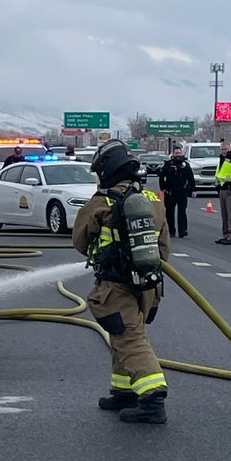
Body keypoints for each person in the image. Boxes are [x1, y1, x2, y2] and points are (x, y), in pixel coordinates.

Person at [73, 139, 171, 423]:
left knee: (130, 339)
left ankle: (153, 400)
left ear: (107, 171)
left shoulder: (101, 203)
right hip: (149, 284)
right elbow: (164, 245)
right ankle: (124, 391)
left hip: (115, 285)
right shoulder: (152, 200)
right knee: (122, 335)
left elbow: (80, 241)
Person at [158, 145, 196, 238]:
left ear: (181, 153)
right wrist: (162, 189)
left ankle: (182, 231)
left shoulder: (185, 165)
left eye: (179, 153)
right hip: (170, 192)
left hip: (182, 192)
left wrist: (193, 190)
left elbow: (191, 178)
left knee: (182, 212)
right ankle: (171, 231)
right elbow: (162, 177)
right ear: (173, 154)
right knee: (170, 212)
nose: (178, 155)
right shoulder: (168, 164)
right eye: (176, 153)